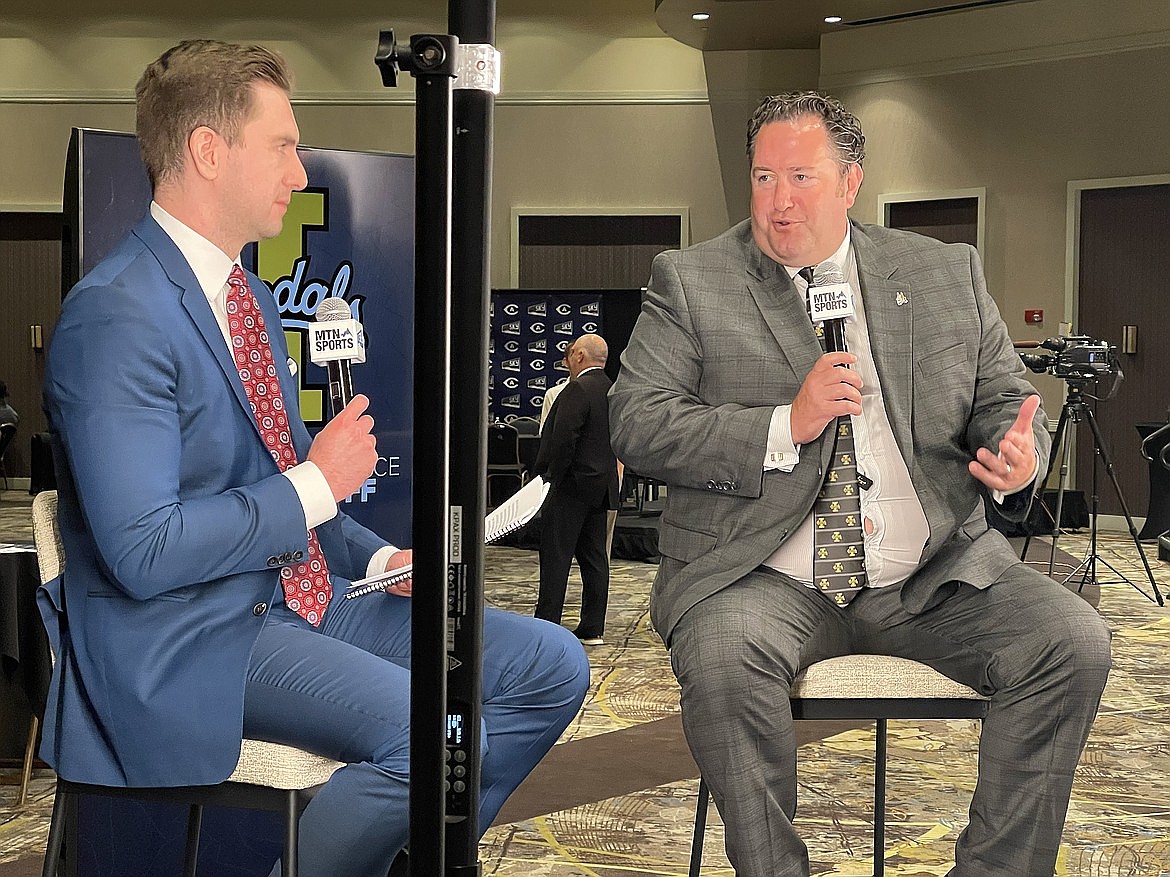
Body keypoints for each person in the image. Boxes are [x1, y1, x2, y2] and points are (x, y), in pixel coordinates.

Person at [39, 39, 589, 877]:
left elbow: (303, 496)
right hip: (194, 633)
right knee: (430, 732)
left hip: (306, 597)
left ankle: (413, 855)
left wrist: (380, 556)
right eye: (284, 146)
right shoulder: (115, 315)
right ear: (207, 152)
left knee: (554, 665)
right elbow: (143, 550)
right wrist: (312, 483)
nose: (300, 173)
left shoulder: (250, 297)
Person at [609, 91, 1111, 877]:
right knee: (720, 663)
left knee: (1070, 641)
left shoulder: (944, 272)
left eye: (801, 177)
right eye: (764, 176)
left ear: (851, 183)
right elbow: (636, 421)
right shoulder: (692, 280)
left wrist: (1019, 455)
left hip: (932, 573)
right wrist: (786, 422)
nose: (778, 201)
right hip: (761, 577)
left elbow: (1004, 399)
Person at [533, 334, 620, 645]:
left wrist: (545, 479)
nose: (567, 359)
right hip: (602, 486)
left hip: (571, 488)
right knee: (595, 557)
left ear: (580, 356)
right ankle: (593, 626)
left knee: (556, 557)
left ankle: (547, 625)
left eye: (570, 354)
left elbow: (562, 440)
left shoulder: (576, 389)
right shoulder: (616, 391)